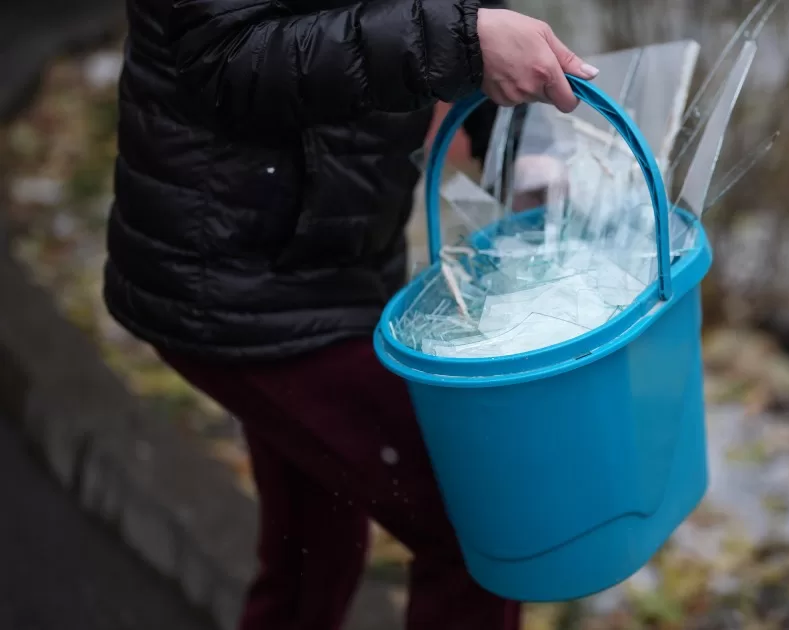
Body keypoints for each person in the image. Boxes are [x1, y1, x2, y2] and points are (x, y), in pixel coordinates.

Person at [104, 0, 598, 628]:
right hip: (238, 276)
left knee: (314, 551)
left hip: (335, 261)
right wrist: (462, 40)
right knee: (484, 526)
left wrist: (513, 140)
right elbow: (223, 52)